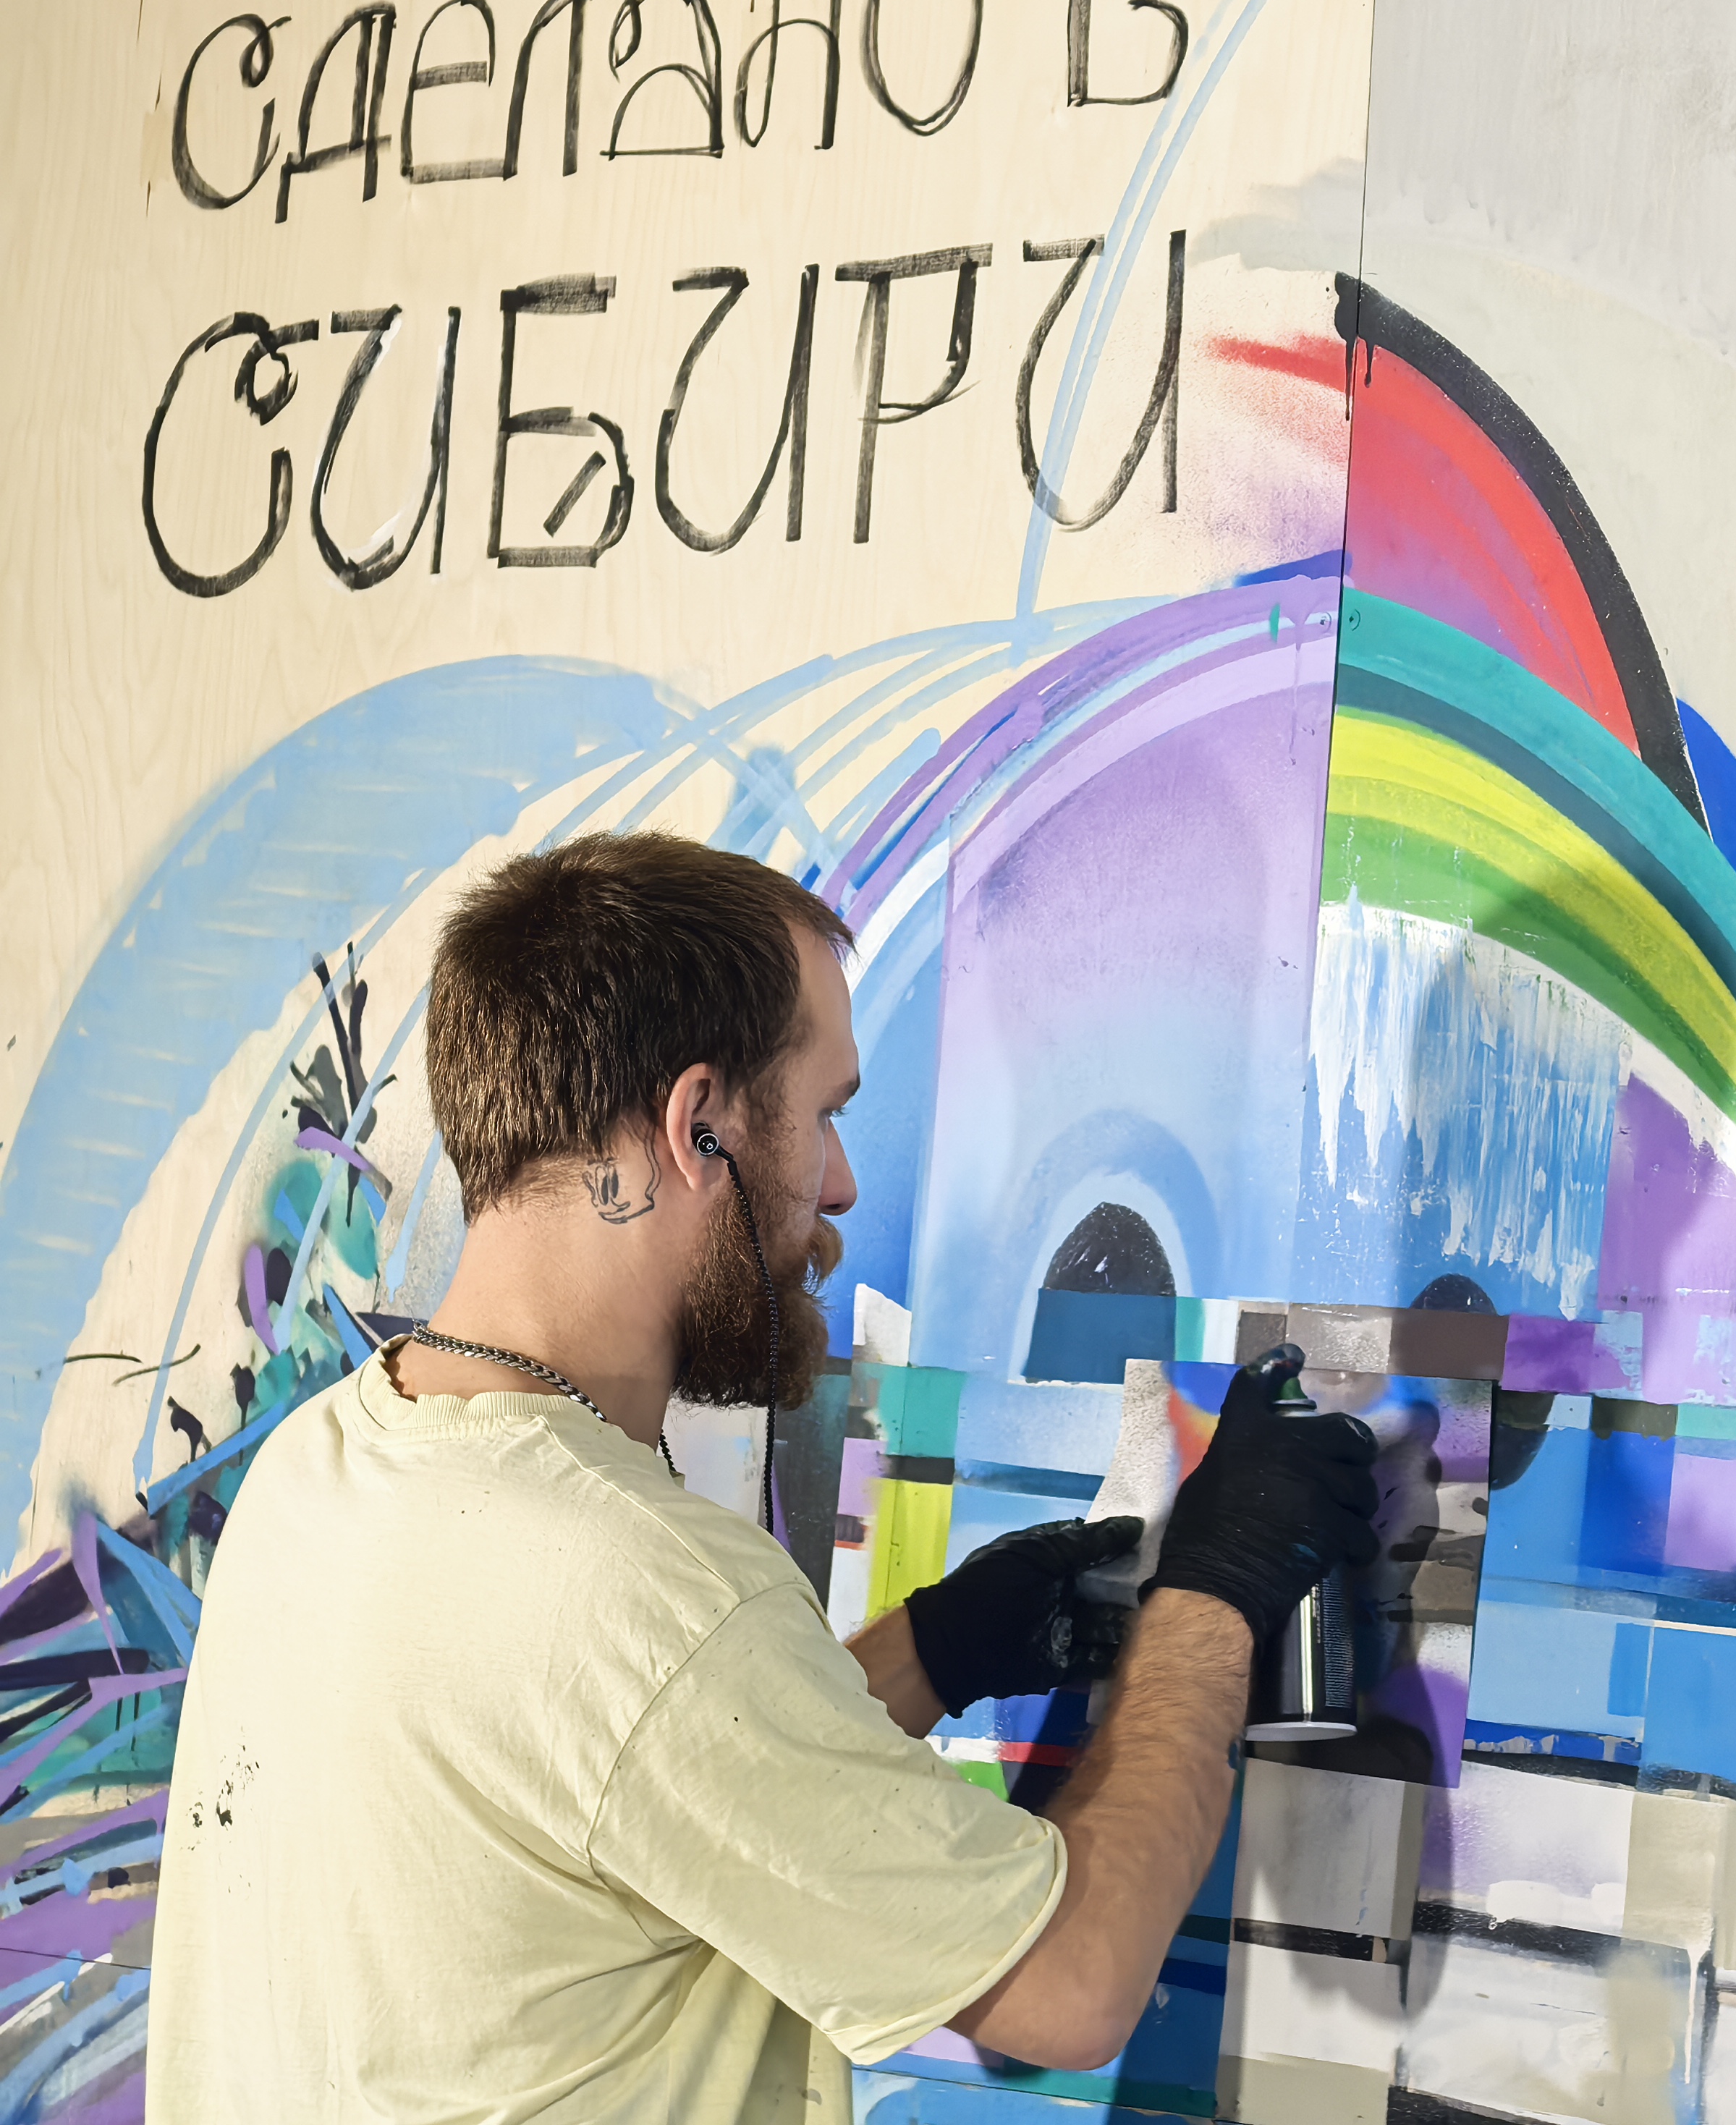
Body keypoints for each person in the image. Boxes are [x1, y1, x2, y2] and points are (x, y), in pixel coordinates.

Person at [148, 831, 1383, 2123]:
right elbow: (1072, 1986)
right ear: (700, 1127)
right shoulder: (641, 1591)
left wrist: (940, 1648)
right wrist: (1216, 1588)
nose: (841, 1183)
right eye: (827, 1112)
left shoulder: (321, 1468)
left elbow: (631, 1787)